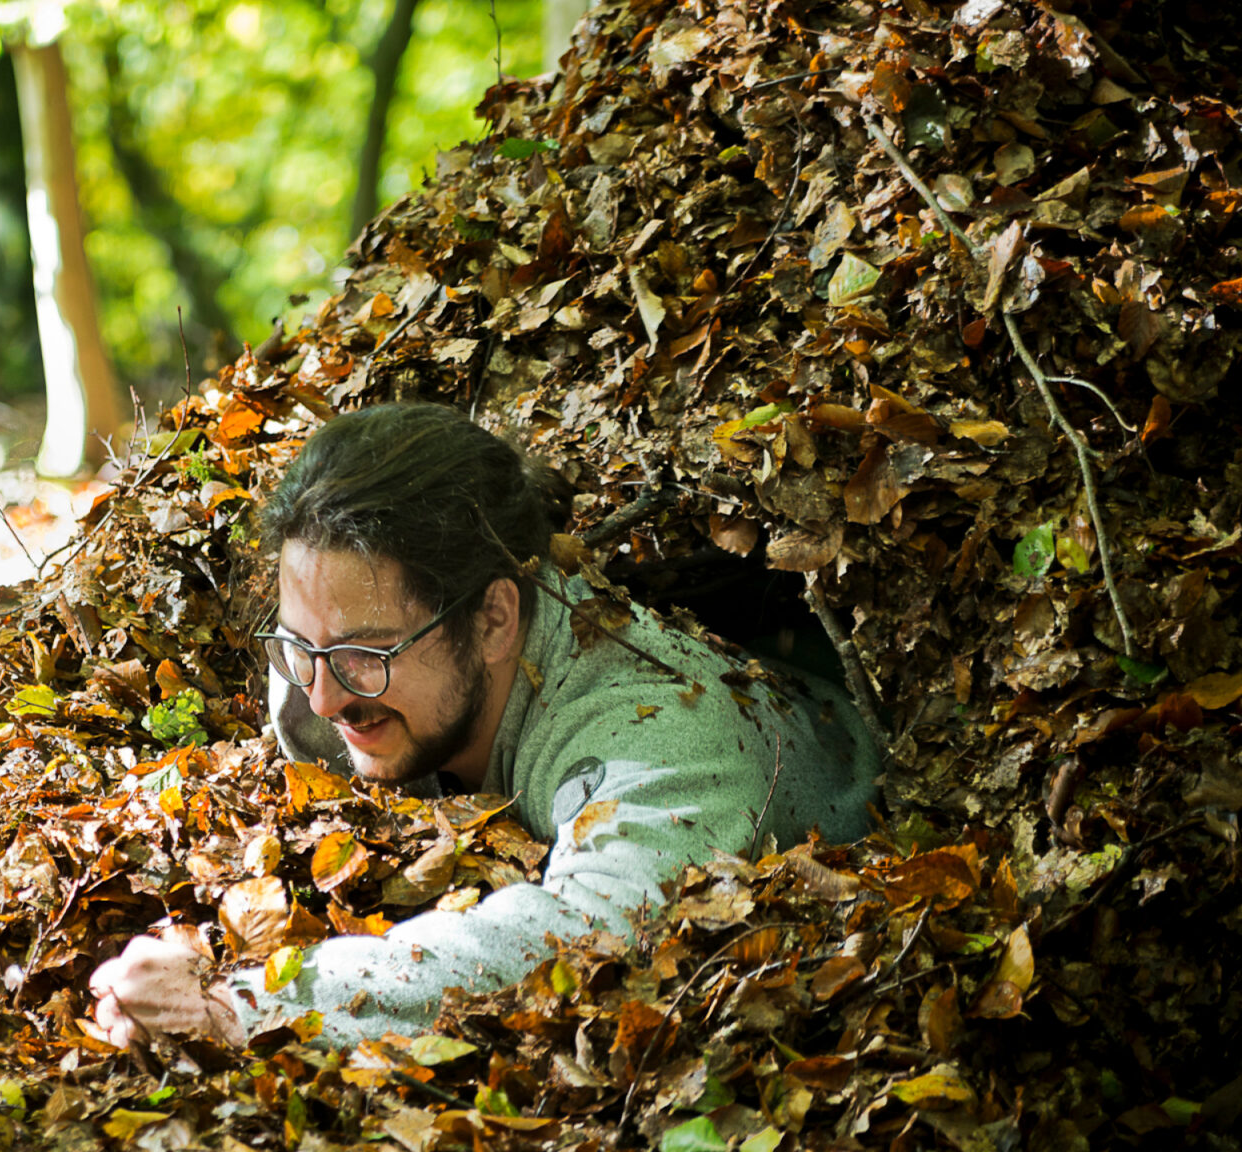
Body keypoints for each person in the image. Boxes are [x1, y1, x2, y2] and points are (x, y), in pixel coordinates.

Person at [89, 403, 881, 1048]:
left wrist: (242, 1003)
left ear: (496, 618)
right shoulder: (326, 668)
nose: (324, 700)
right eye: (300, 645)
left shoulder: (664, 730)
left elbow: (580, 937)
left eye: (365, 655)